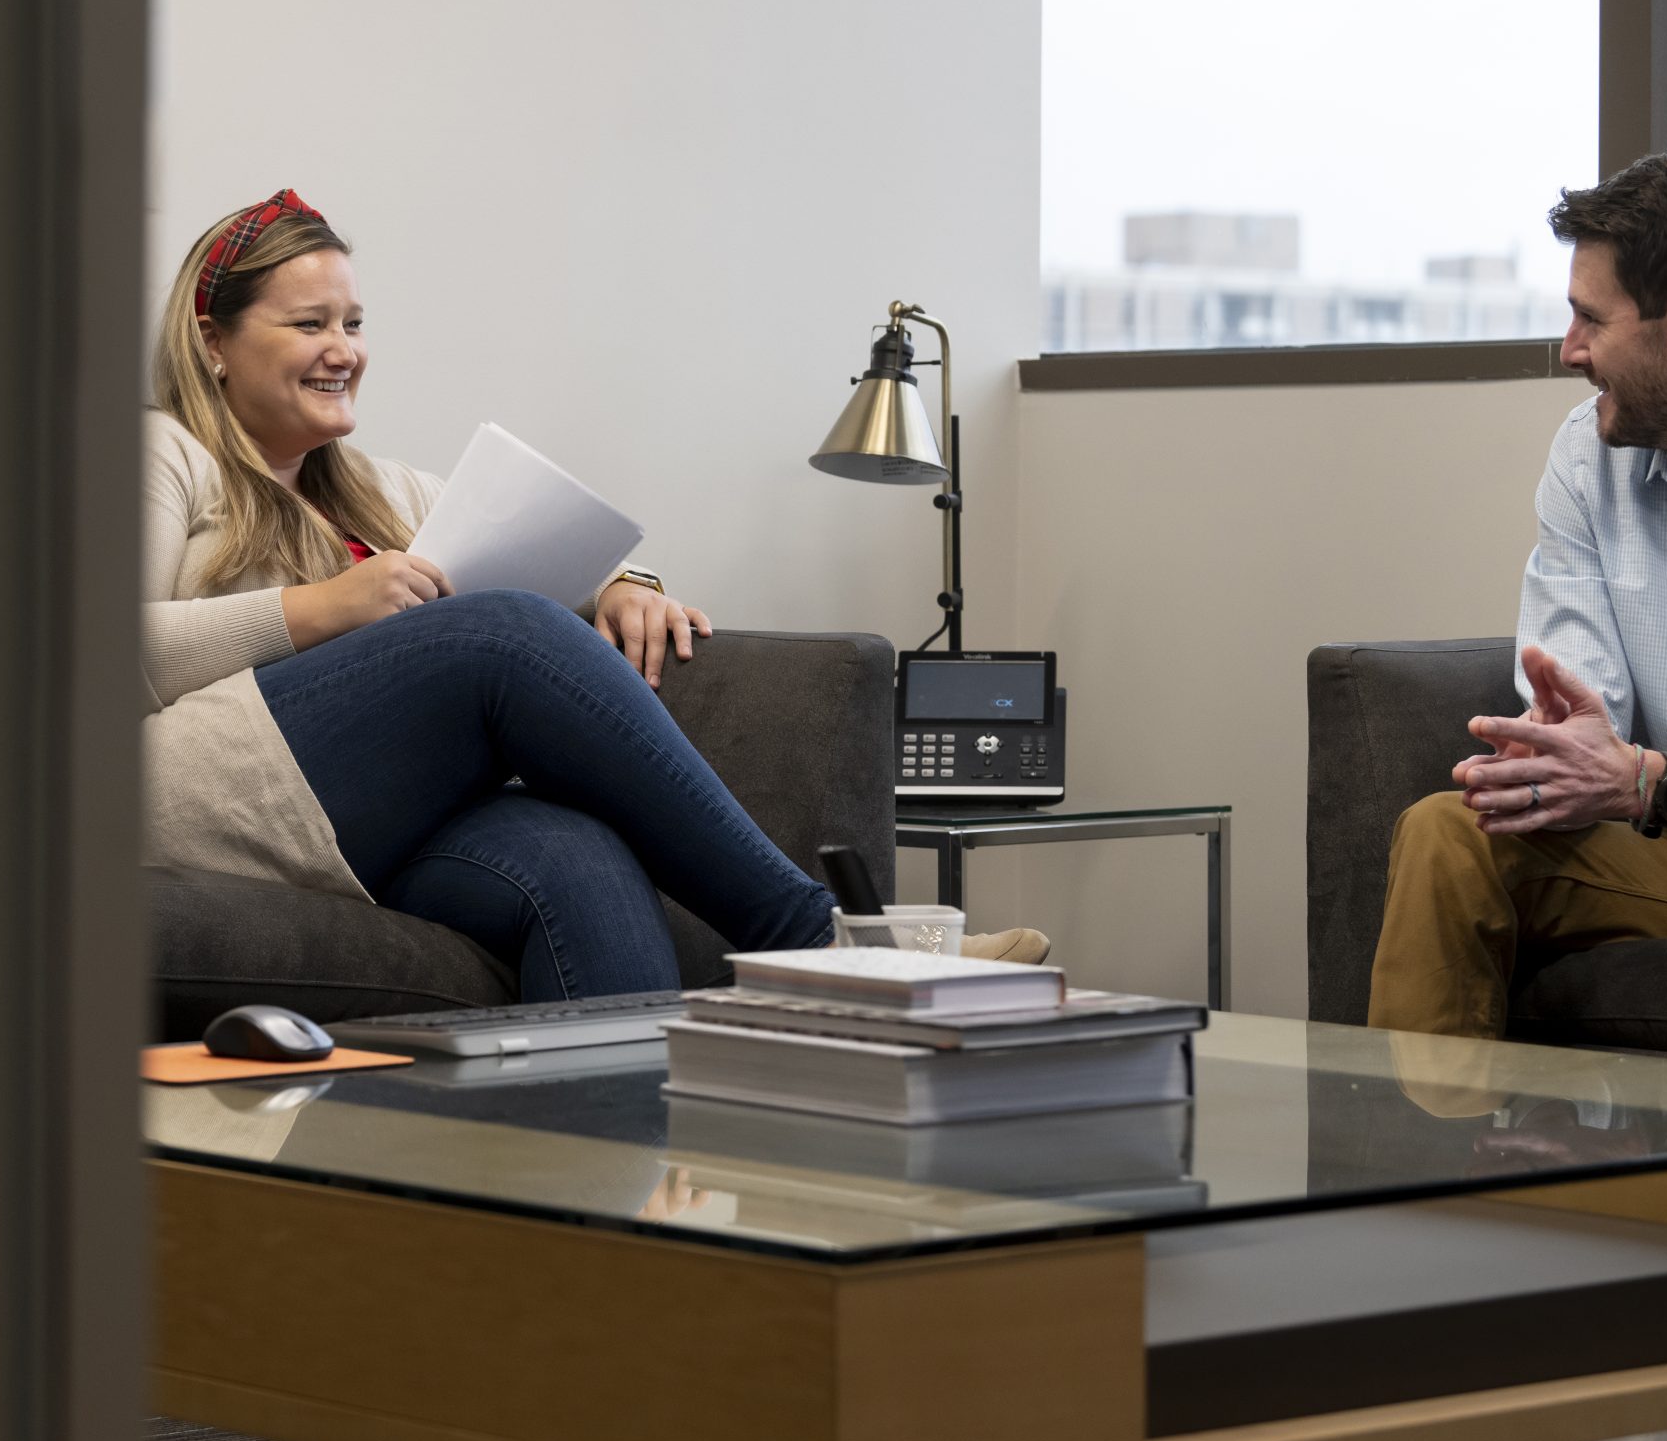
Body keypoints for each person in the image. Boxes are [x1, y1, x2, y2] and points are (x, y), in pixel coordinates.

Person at [141, 189, 1047, 999]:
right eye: (309, 324)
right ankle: (818, 935)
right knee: (499, 631)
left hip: (359, 822)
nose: (344, 349)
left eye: (355, 322)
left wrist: (624, 586)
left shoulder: (377, 491)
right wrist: (323, 607)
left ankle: (627, 1174)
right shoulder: (160, 453)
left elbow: (528, 570)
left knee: (579, 860)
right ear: (213, 340)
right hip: (193, 800)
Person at [1368, 148, 1667, 1068]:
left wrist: (1655, 779)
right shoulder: (1588, 460)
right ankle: (1429, 1185)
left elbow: (1637, 777)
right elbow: (1584, 719)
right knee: (1445, 833)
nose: (1569, 349)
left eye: (1592, 317)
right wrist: (1568, 744)